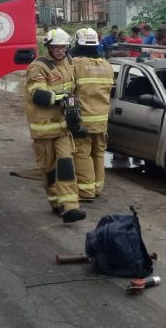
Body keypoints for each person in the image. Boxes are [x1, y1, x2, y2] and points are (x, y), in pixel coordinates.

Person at [24, 28, 86, 223]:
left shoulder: (69, 62)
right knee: (49, 169)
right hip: (43, 128)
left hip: (62, 127)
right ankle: (56, 203)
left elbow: (75, 91)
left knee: (66, 164)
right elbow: (38, 94)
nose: (60, 50)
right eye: (56, 47)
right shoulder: (38, 67)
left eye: (63, 47)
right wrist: (61, 97)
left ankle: (70, 206)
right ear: (48, 47)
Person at [69, 28, 114, 202]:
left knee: (82, 154)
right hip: (102, 120)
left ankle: (86, 191)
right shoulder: (106, 65)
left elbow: (70, 91)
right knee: (98, 153)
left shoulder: (76, 64)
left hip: (84, 120)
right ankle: (97, 188)